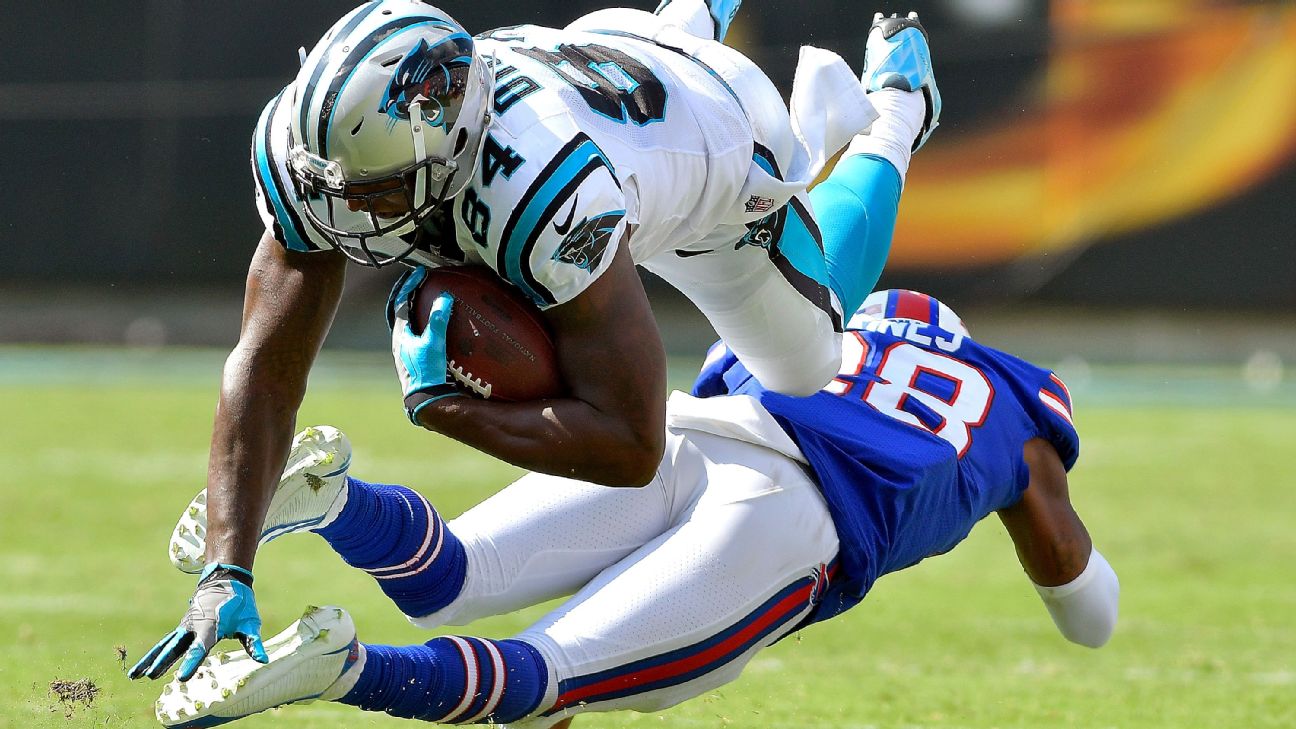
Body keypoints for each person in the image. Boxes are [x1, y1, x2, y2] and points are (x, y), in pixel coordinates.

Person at [136, 0, 943, 687]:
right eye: (335, 188)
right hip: (609, 64)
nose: (349, 217)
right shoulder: (320, 151)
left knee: (807, 362)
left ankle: (899, 107)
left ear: (446, 145)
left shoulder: (548, 195)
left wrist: (452, 411)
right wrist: (225, 570)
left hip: (712, 147)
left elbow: (633, 445)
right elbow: (267, 365)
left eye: (376, 192)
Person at [135, 289, 1120, 728]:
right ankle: (343, 670)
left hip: (699, 430)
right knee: (543, 677)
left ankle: (338, 501)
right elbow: (1089, 616)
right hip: (797, 513)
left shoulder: (833, 321)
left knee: (450, 583)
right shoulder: (1019, 418)